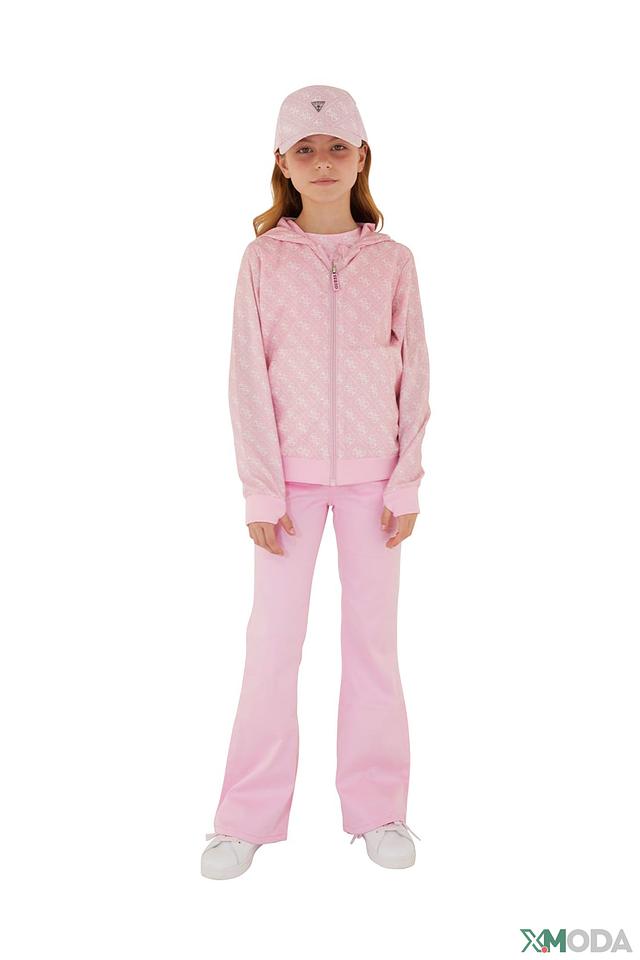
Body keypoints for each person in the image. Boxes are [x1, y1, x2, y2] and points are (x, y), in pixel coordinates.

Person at [201, 84, 431, 880]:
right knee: (272, 647)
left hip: (375, 488)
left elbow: (416, 374)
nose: (323, 162)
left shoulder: (393, 261)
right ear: (283, 163)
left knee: (373, 647)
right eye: (306, 149)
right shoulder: (264, 260)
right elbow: (246, 379)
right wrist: (261, 492)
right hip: (290, 490)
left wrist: (406, 481)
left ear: (361, 157)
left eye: (337, 148)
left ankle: (379, 810)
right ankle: (245, 819)